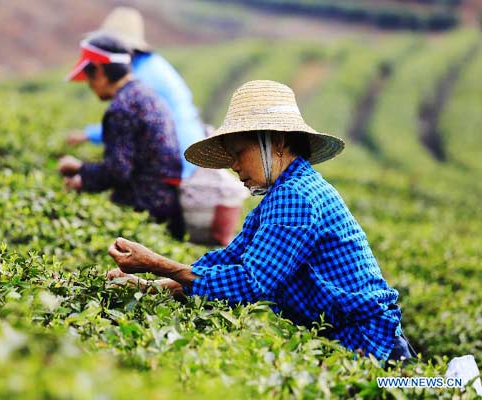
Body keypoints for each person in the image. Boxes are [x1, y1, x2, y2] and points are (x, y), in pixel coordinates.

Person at [106, 80, 416, 363]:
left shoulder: (296, 197)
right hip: (353, 341)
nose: (236, 167)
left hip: (373, 347)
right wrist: (150, 287)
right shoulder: (279, 196)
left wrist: (155, 264)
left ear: (277, 142)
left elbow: (250, 283)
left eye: (240, 153)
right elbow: (226, 261)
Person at [59, 34, 185, 239]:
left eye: (89, 77)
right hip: (167, 201)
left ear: (99, 71)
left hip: (144, 206)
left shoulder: (121, 108)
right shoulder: (145, 94)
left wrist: (82, 174)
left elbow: (118, 170)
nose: (90, 86)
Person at [66, 6, 205, 180]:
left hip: (179, 159)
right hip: (186, 150)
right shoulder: (150, 64)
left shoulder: (139, 79)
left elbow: (125, 123)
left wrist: (84, 168)